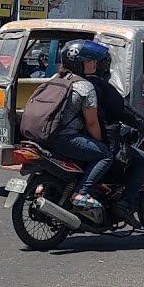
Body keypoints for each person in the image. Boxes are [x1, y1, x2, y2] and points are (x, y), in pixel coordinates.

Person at [88, 52, 144, 226]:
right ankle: (124, 205)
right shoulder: (99, 87)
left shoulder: (69, 81)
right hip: (102, 141)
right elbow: (126, 114)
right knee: (142, 159)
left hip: (75, 138)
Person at [44, 39, 113, 211]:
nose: (94, 63)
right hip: (65, 137)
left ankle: (43, 187)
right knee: (104, 155)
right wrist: (101, 143)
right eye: (90, 60)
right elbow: (91, 122)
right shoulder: (85, 86)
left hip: (44, 135)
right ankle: (81, 193)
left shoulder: (55, 78)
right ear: (79, 64)